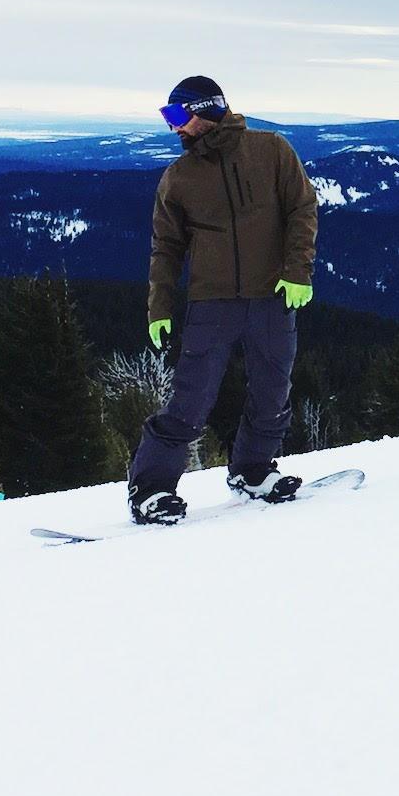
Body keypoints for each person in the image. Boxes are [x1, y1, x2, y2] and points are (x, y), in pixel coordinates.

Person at [126, 75, 319, 524]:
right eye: (167, 117)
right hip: (211, 304)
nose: (172, 127)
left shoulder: (271, 150)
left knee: (273, 394)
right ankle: (150, 491)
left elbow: (302, 208)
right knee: (191, 403)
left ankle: (252, 471)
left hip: (272, 296)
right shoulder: (179, 177)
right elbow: (166, 249)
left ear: (206, 110)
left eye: (177, 116)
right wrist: (159, 307)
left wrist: (297, 272)